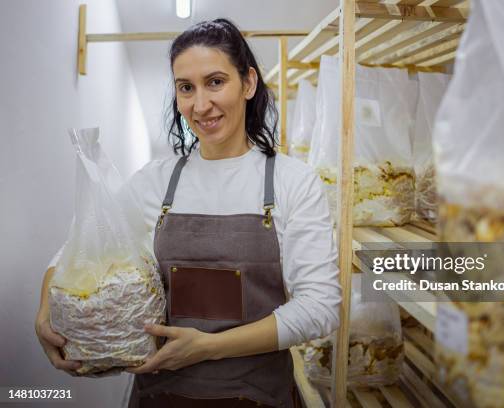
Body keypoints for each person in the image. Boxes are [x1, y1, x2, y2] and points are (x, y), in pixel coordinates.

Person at [35, 19, 341, 407]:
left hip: (258, 396)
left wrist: (210, 347)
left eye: (215, 82)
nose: (200, 105)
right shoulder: (155, 181)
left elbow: (321, 307)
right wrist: (44, 311)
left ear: (248, 83)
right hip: (160, 396)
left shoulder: (292, 182)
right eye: (186, 88)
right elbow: (76, 251)